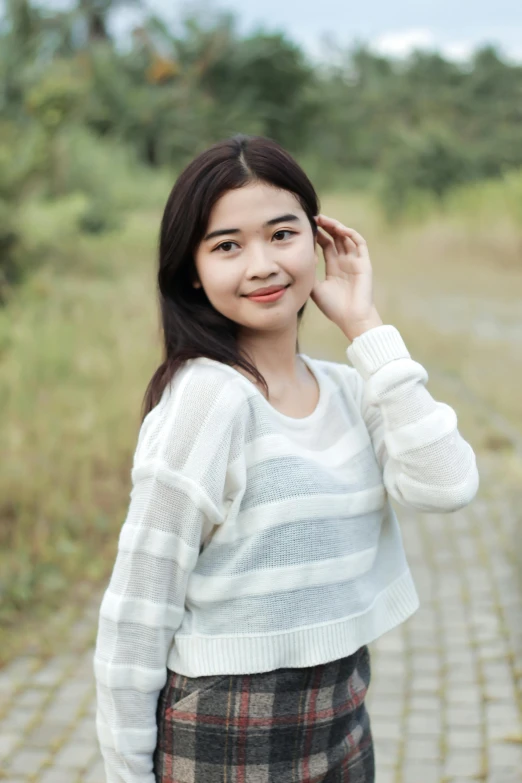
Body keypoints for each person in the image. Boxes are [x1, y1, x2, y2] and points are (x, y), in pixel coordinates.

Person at [92, 133, 479, 783]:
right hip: (223, 725)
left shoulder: (353, 387)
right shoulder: (206, 402)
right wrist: (127, 773)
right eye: (227, 245)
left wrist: (366, 327)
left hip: (342, 712)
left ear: (318, 240)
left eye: (281, 234)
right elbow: (137, 608)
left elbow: (447, 483)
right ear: (191, 268)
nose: (262, 264)